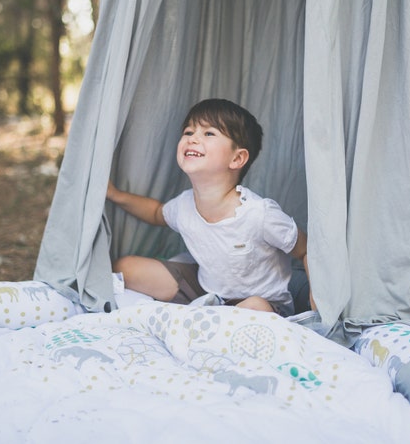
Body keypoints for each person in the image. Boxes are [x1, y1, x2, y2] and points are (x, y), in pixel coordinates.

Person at [108, 98, 308, 317]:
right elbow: (157, 213)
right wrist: (116, 195)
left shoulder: (259, 214)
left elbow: (305, 249)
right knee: (124, 266)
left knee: (254, 308)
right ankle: (205, 312)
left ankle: (207, 319)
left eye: (209, 133)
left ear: (237, 158)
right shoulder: (184, 205)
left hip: (261, 302)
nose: (193, 139)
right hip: (205, 290)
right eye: (188, 132)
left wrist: (318, 296)